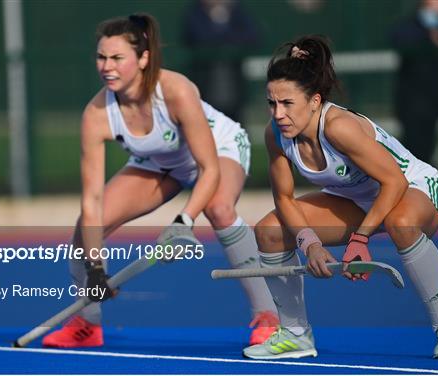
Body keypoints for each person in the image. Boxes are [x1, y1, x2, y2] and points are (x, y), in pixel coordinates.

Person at [41, 13, 278, 349]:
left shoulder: (176, 90)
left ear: (143, 58)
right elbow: (92, 201)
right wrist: (95, 270)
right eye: (101, 57)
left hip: (218, 148)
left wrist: (183, 221)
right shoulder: (96, 114)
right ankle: (87, 324)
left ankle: (269, 316)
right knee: (86, 230)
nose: (107, 66)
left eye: (117, 58)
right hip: (160, 162)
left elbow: (208, 169)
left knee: (219, 208)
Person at [242, 35, 438, 360]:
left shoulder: (339, 127)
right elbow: (285, 200)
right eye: (271, 103)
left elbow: (394, 182)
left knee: (400, 223)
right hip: (355, 200)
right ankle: (295, 334)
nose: (278, 114)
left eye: (287, 103)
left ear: (315, 101)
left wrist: (360, 240)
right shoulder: (275, 133)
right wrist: (311, 244)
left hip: (412, 187)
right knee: (270, 231)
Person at [391, 0, 438, 164]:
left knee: (427, 145)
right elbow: (398, 38)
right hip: (410, 101)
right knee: (412, 146)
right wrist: (428, 34)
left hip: (433, 99)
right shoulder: (411, 26)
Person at [182, 0, 260, 124]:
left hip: (234, 83)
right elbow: (199, 37)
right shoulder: (195, 12)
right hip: (205, 81)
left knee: (235, 124)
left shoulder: (237, 11)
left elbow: (252, 36)